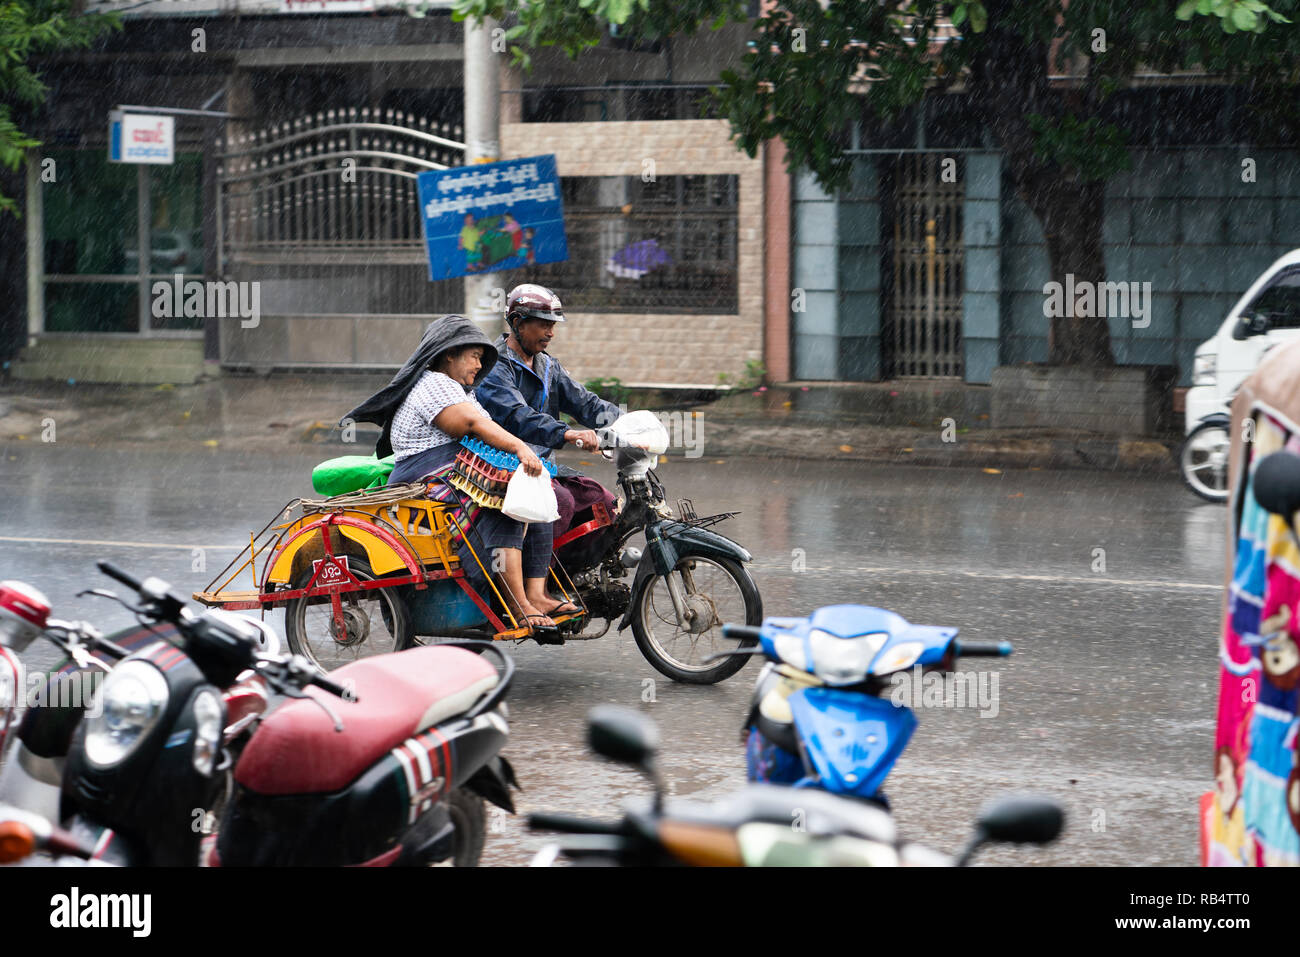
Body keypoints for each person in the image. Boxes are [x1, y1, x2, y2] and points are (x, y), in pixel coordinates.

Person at [341, 314, 573, 633]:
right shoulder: (432, 383)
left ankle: (536, 594)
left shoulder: (462, 390)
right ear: (449, 353)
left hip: (455, 471)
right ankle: (519, 605)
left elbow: (484, 428)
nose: (479, 365)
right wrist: (520, 448)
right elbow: (470, 424)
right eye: (474, 356)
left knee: (535, 492)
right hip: (423, 479)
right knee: (501, 507)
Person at [475, 283, 622, 546]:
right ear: (518, 322)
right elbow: (518, 417)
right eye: (544, 325)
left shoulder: (546, 364)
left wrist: (628, 422)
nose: (551, 333)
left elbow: (585, 403)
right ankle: (534, 578)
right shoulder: (495, 366)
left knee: (605, 504)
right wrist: (567, 432)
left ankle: (570, 575)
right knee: (561, 502)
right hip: (504, 466)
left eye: (553, 326)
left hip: (543, 466)